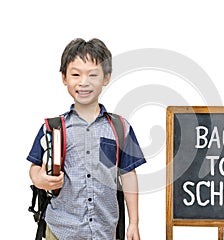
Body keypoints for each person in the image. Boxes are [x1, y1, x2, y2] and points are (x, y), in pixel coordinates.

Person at [27, 38, 146, 240]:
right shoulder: (53, 128)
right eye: (75, 74)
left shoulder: (120, 128)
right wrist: (41, 179)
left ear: (106, 77)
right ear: (64, 78)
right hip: (60, 230)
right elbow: (34, 168)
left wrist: (134, 222)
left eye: (93, 75)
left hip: (105, 231)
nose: (84, 82)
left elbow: (128, 175)